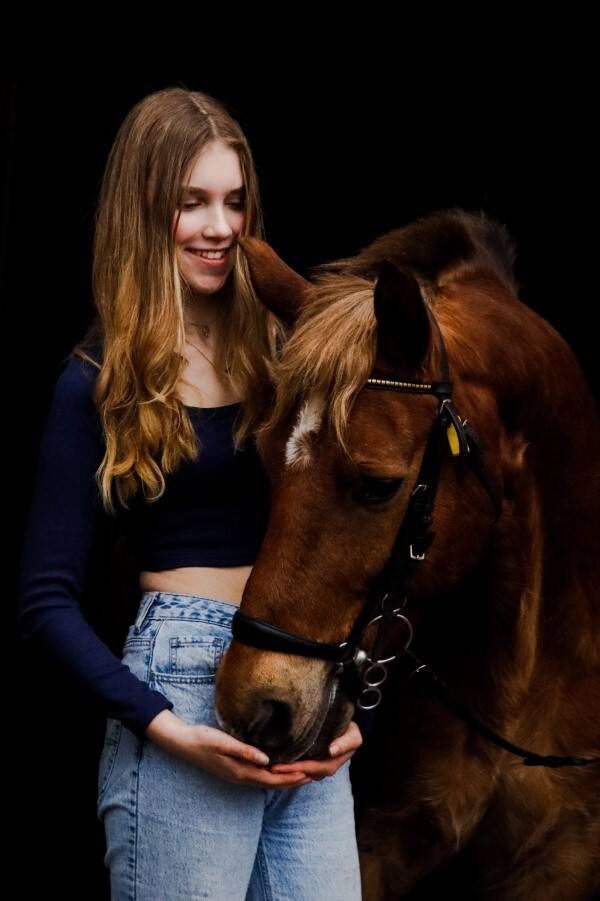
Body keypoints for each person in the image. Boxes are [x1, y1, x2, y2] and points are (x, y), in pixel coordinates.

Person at [17, 86, 363, 900]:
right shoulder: (96, 381)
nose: (220, 227)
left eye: (235, 203)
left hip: (303, 678)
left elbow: (354, 536)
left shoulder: (286, 357)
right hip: (179, 680)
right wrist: (166, 729)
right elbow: (44, 601)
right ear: (144, 210)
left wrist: (352, 710)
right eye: (192, 203)